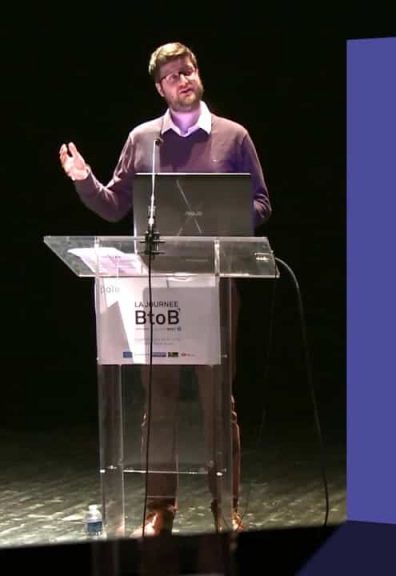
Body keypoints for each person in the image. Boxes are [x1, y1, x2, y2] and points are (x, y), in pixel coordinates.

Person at [58, 42, 271, 536]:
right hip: (157, 292)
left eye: (188, 70)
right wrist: (84, 180)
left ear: (199, 73)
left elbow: (261, 203)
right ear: (160, 88)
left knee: (218, 403)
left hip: (215, 287)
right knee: (159, 403)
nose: (183, 79)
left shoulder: (233, 136)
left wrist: (225, 219)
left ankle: (226, 508)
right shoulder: (143, 140)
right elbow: (114, 205)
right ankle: (159, 509)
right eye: (173, 75)